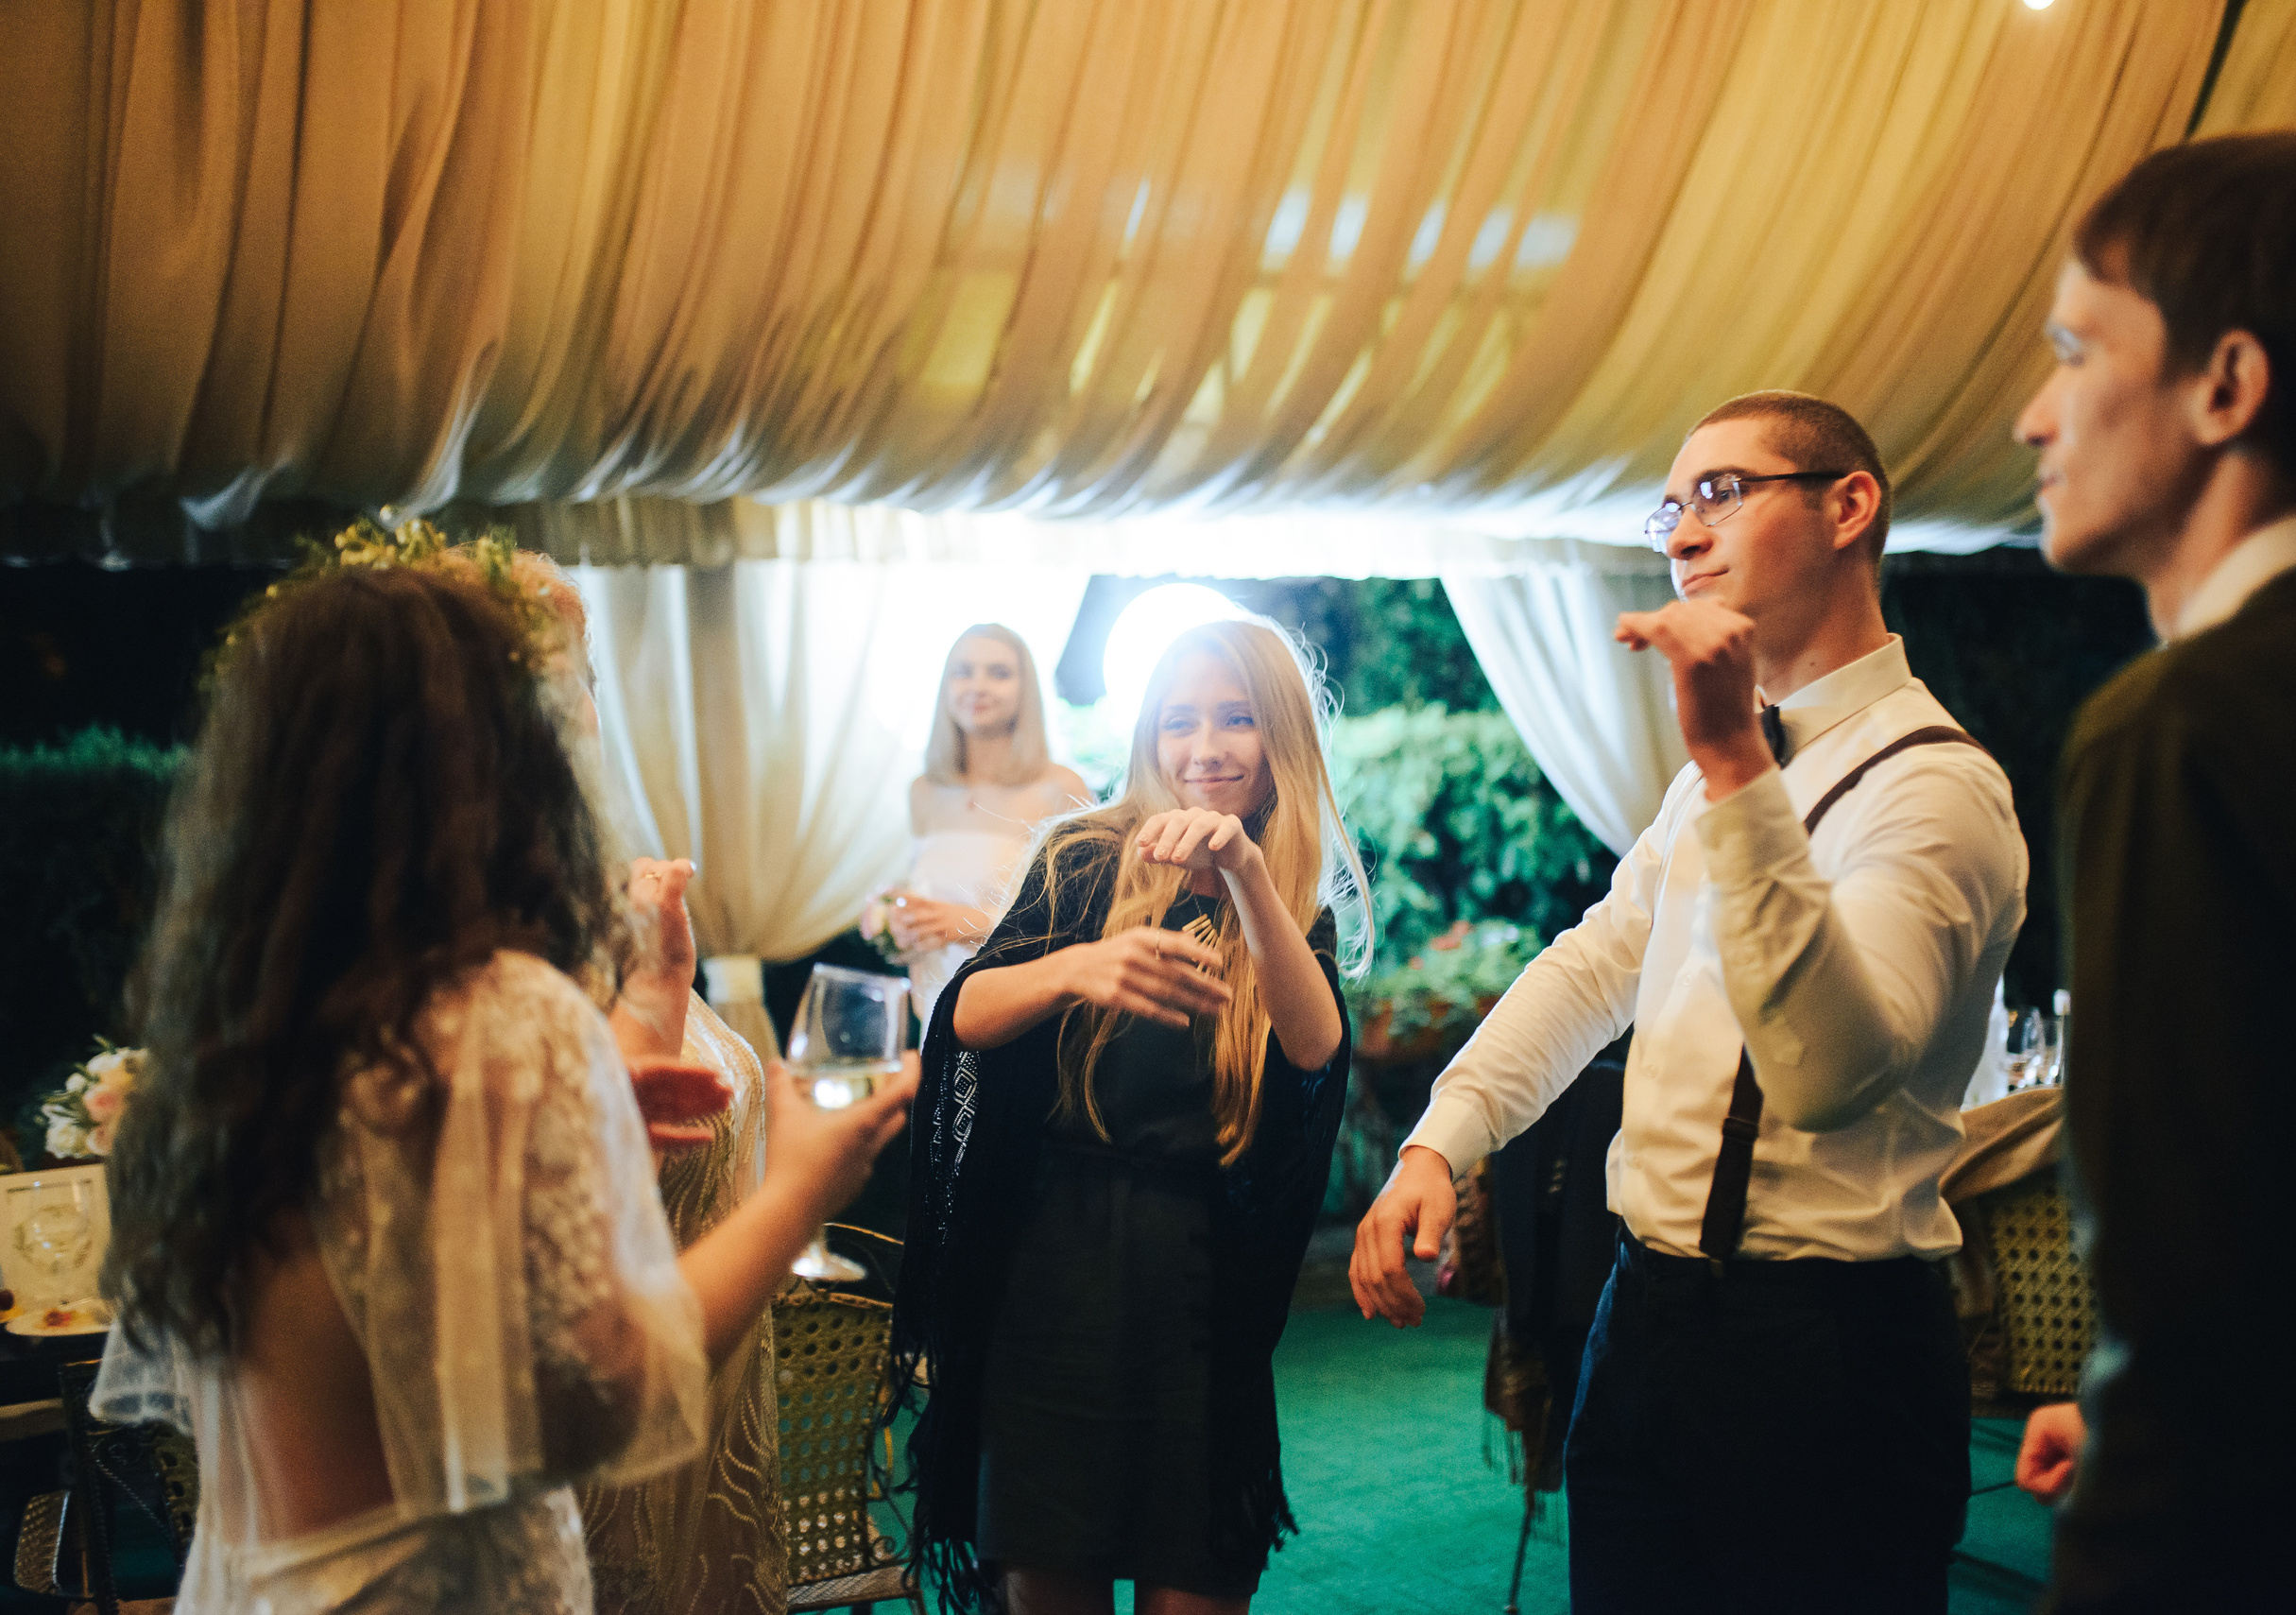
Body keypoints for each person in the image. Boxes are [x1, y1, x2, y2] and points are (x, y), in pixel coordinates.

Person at [94, 559, 912, 1614]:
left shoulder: (229, 1029)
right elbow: (596, 1399)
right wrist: (803, 1182)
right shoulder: (492, 1010)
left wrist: (604, 1096)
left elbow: (400, 1269)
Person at [1352, 391, 2029, 1613]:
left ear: (1848, 505)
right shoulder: (1720, 774)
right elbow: (1595, 963)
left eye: (1721, 491)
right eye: (1671, 507)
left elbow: (1832, 1073)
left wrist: (1731, 766)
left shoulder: (1937, 790)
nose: (1681, 534)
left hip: (1833, 1346)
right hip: (1646, 1316)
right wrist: (1440, 1141)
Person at [2009, 124, 2296, 1610]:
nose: (2029, 416)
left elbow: (2205, 1295)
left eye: (2071, 349)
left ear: (2227, 385)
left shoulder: (2188, 724)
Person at [892, 618, 1369, 1615]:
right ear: (1148, 736)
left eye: (1236, 718)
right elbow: (964, 1017)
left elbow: (1316, 1051)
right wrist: (1075, 967)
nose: (1204, 746)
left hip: (1199, 1301)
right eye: (1179, 719)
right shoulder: (1082, 855)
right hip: (1051, 1283)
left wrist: (1242, 871)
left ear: (1281, 736)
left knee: (1194, 1581)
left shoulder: (1287, 899)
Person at [498, 555, 791, 1615]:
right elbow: (575, 1180)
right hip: (602, 1405)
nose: (577, 704)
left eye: (582, 676)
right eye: (547, 676)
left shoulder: (599, 881)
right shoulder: (500, 932)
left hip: (702, 1398)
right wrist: (808, 1180)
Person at [882, 624, 1092, 1022]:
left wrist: (967, 924)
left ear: (1026, 690)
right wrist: (898, 924)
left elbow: (1079, 925)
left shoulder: (1061, 788)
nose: (977, 686)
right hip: (934, 1005)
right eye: (963, 672)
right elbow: (929, 896)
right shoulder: (923, 791)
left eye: (998, 673)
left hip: (1017, 1006)